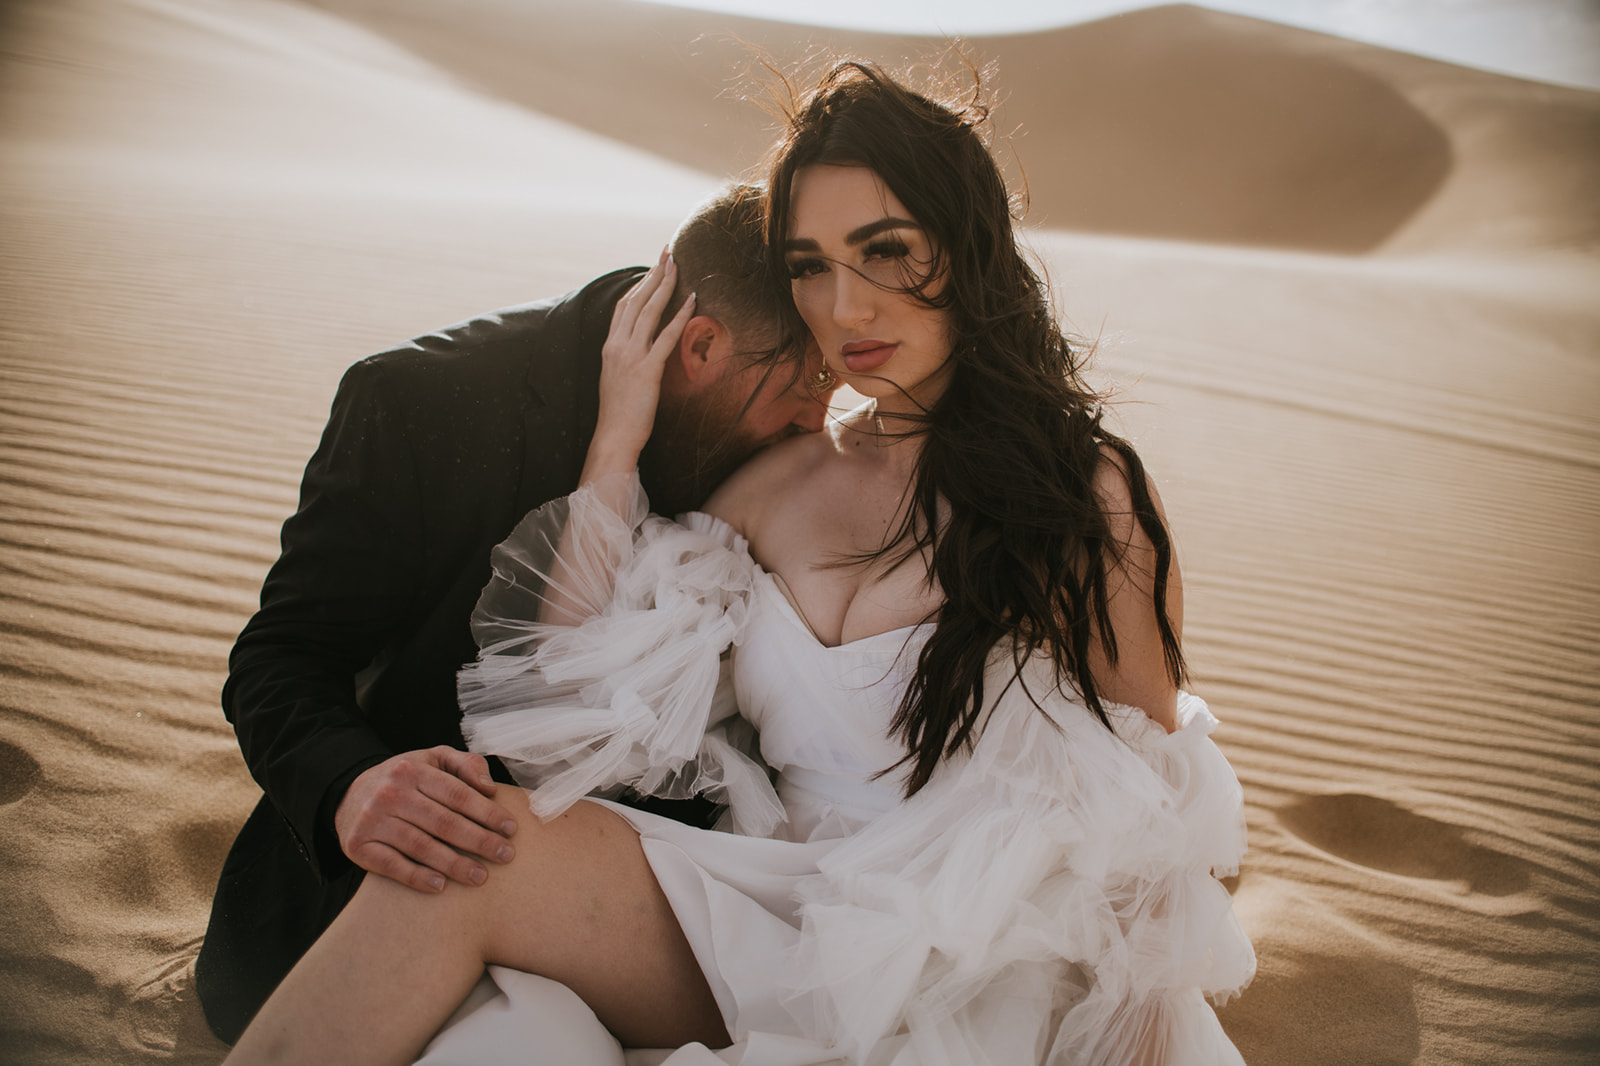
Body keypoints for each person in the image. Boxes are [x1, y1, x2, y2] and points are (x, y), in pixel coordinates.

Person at [223, 61, 1255, 1065]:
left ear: (968, 246)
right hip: (776, 905)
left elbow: (1155, 822)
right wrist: (615, 446)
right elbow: (570, 707)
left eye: (885, 251)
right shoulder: (772, 486)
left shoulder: (1084, 496)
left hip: (985, 952)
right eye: (809, 265)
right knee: (469, 855)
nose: (844, 309)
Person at [195, 184, 833, 1045]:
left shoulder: (779, 445)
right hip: (410, 887)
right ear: (703, 346)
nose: (820, 420)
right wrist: (351, 786)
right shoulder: (421, 400)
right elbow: (281, 655)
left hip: (647, 912)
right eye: (808, 384)